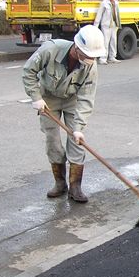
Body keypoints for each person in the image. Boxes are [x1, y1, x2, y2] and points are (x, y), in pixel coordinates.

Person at [22, 25, 106, 202]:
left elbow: (86, 98)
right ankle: (60, 183)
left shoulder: (90, 66)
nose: (89, 60)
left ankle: (75, 186)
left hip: (72, 99)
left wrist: (79, 127)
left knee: (77, 141)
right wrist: (35, 96)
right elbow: (28, 71)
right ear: (77, 48)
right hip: (48, 99)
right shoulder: (51, 49)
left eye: (92, 57)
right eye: (86, 56)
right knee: (52, 139)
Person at [94, 0, 121, 64]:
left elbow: (117, 14)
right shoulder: (104, 3)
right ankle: (103, 58)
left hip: (114, 25)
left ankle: (112, 57)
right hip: (106, 26)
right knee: (105, 42)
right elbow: (99, 15)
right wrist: (95, 26)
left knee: (113, 42)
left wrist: (118, 24)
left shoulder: (116, 3)